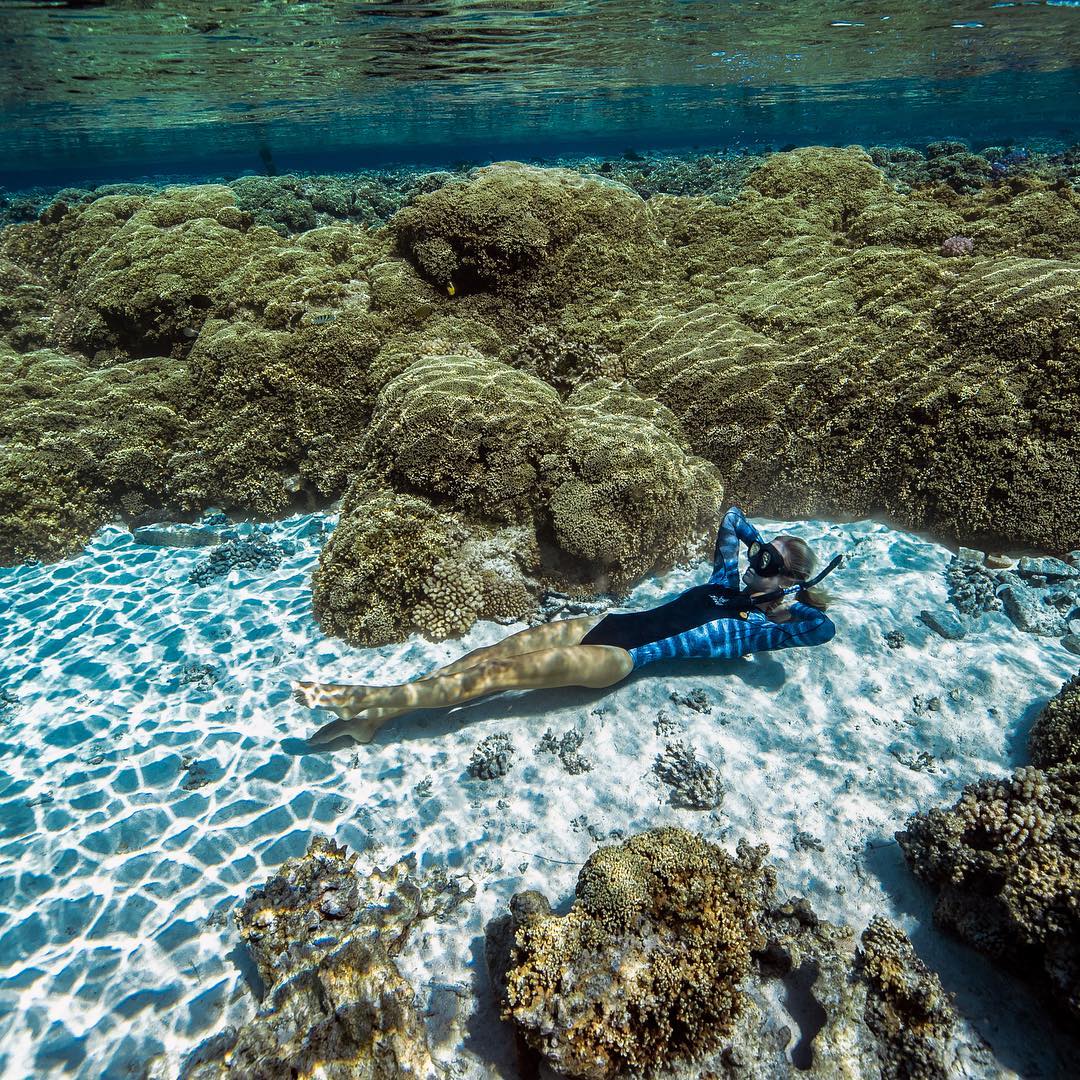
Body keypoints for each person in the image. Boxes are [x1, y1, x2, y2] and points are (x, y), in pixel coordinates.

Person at [294, 505, 840, 745]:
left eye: (768, 564)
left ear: (786, 579)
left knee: (500, 678)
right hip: (606, 622)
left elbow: (823, 632)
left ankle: (371, 698)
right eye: (759, 556)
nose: (754, 565)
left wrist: (788, 603)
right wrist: (761, 547)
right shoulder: (728, 579)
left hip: (619, 660)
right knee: (489, 657)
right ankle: (373, 718)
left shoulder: (760, 628)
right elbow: (731, 520)